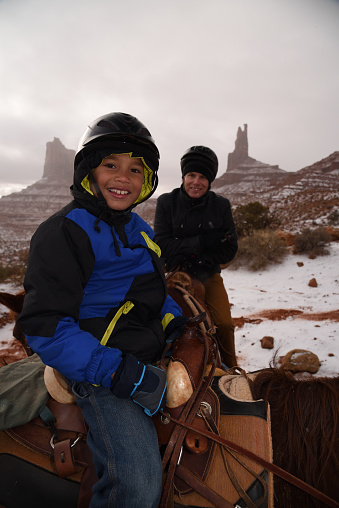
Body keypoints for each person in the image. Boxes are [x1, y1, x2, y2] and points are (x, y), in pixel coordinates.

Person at [18, 112, 187, 508]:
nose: (122, 177)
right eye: (110, 165)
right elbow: (44, 324)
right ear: (89, 171)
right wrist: (118, 372)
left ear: (145, 181)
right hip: (100, 371)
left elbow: (153, 290)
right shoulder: (64, 231)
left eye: (134, 169)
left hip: (145, 355)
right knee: (138, 483)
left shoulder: (138, 229)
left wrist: (174, 319)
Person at [154, 145, 238, 367]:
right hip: (173, 272)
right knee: (151, 318)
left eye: (202, 177)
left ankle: (232, 369)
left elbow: (229, 250)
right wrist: (203, 241)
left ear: (210, 181)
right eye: (191, 175)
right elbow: (161, 245)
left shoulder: (220, 205)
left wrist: (184, 247)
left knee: (225, 324)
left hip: (207, 274)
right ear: (183, 176)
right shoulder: (166, 202)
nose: (196, 182)